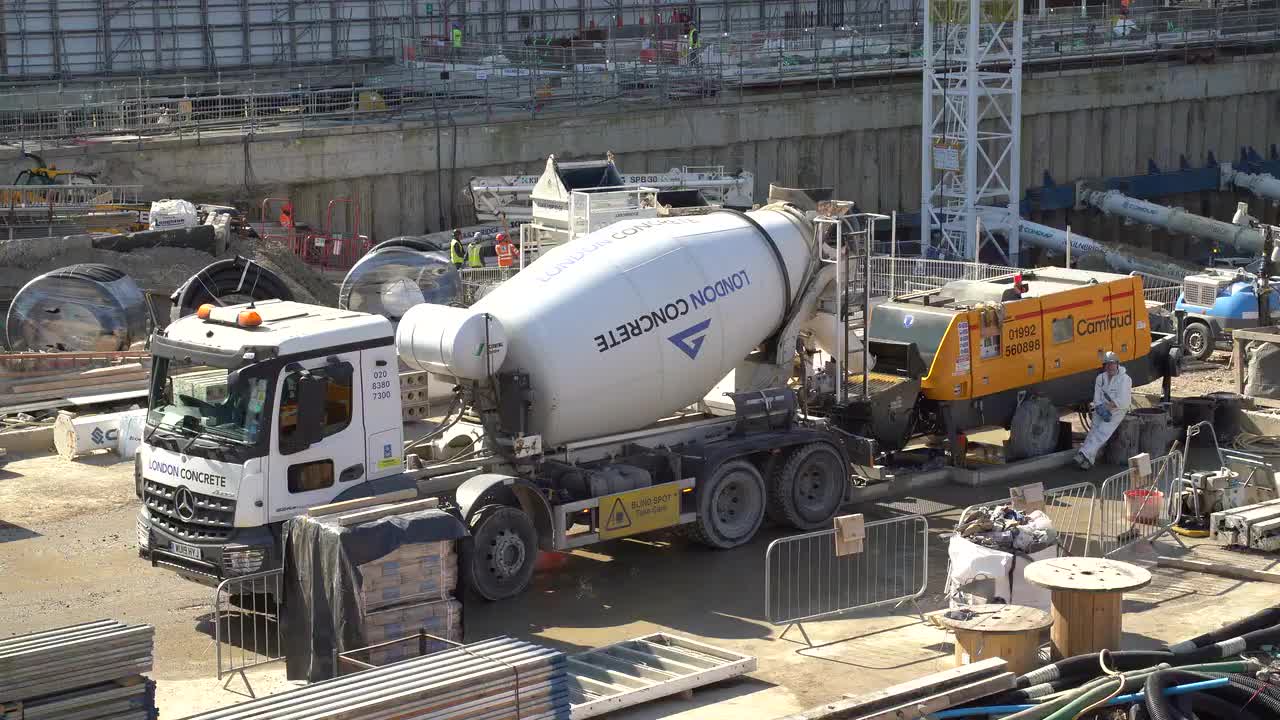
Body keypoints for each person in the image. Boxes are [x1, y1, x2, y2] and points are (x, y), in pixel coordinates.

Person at [1075, 351, 1132, 469]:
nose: (1110, 367)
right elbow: (1097, 396)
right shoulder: (1100, 378)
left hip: (1118, 410)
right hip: (1101, 407)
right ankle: (1088, 462)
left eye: (1112, 364)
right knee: (1093, 431)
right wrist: (1099, 407)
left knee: (1102, 432)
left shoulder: (1125, 379)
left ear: (1117, 364)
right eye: (1107, 364)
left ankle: (1083, 453)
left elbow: (1124, 401)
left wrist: (1108, 407)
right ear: (1104, 366)